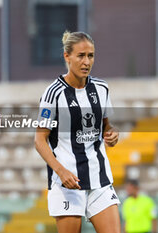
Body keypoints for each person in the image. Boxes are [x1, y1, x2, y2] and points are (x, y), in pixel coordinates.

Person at [34, 30, 120, 233]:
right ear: (67, 56)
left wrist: (112, 134)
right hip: (67, 184)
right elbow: (39, 140)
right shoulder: (53, 93)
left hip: (99, 179)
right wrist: (61, 171)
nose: (86, 62)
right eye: (81, 56)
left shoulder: (101, 88)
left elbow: (106, 125)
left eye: (90, 56)